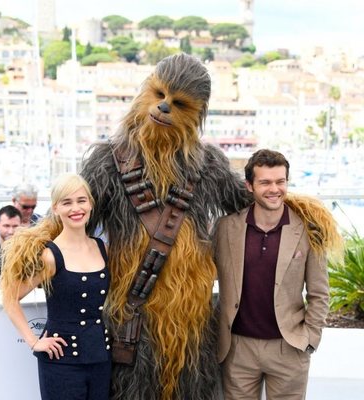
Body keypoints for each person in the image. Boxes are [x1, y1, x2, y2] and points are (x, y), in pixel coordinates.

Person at [81, 53, 251, 400]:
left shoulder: (210, 165)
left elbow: (248, 210)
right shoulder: (108, 161)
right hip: (133, 318)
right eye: (159, 95)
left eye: (178, 104)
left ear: (197, 115)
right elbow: (74, 221)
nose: (163, 108)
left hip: (192, 322)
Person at [213, 149, 343, 400]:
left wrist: (309, 339)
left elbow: (319, 293)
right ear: (249, 186)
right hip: (237, 350)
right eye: (265, 182)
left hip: (289, 348)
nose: (274, 189)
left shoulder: (308, 230)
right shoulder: (225, 228)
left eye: (280, 181)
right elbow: (203, 275)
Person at [0, 173, 111, 400]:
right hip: (61, 363)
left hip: (102, 358)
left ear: (90, 204)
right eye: (66, 202)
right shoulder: (49, 256)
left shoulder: (103, 249)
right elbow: (9, 298)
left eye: (81, 200)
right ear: (56, 208)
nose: (75, 208)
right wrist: (34, 342)